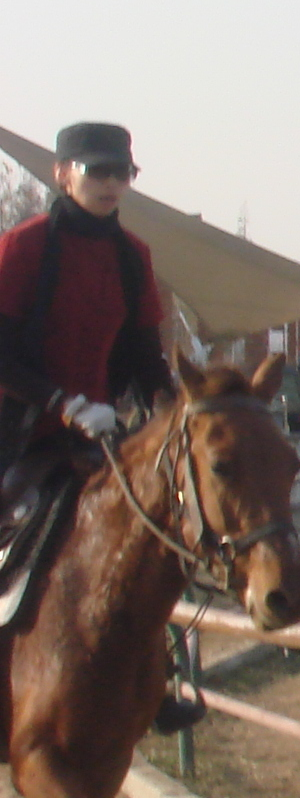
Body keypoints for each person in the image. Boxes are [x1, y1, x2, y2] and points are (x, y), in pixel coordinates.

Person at [0, 122, 196, 731]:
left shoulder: (133, 257)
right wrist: (64, 403)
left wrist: (174, 410)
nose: (111, 185)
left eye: (122, 174)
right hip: (15, 424)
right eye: (97, 172)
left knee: (149, 535)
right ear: (63, 173)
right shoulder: (22, 247)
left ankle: (157, 675)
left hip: (97, 431)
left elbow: (141, 354)